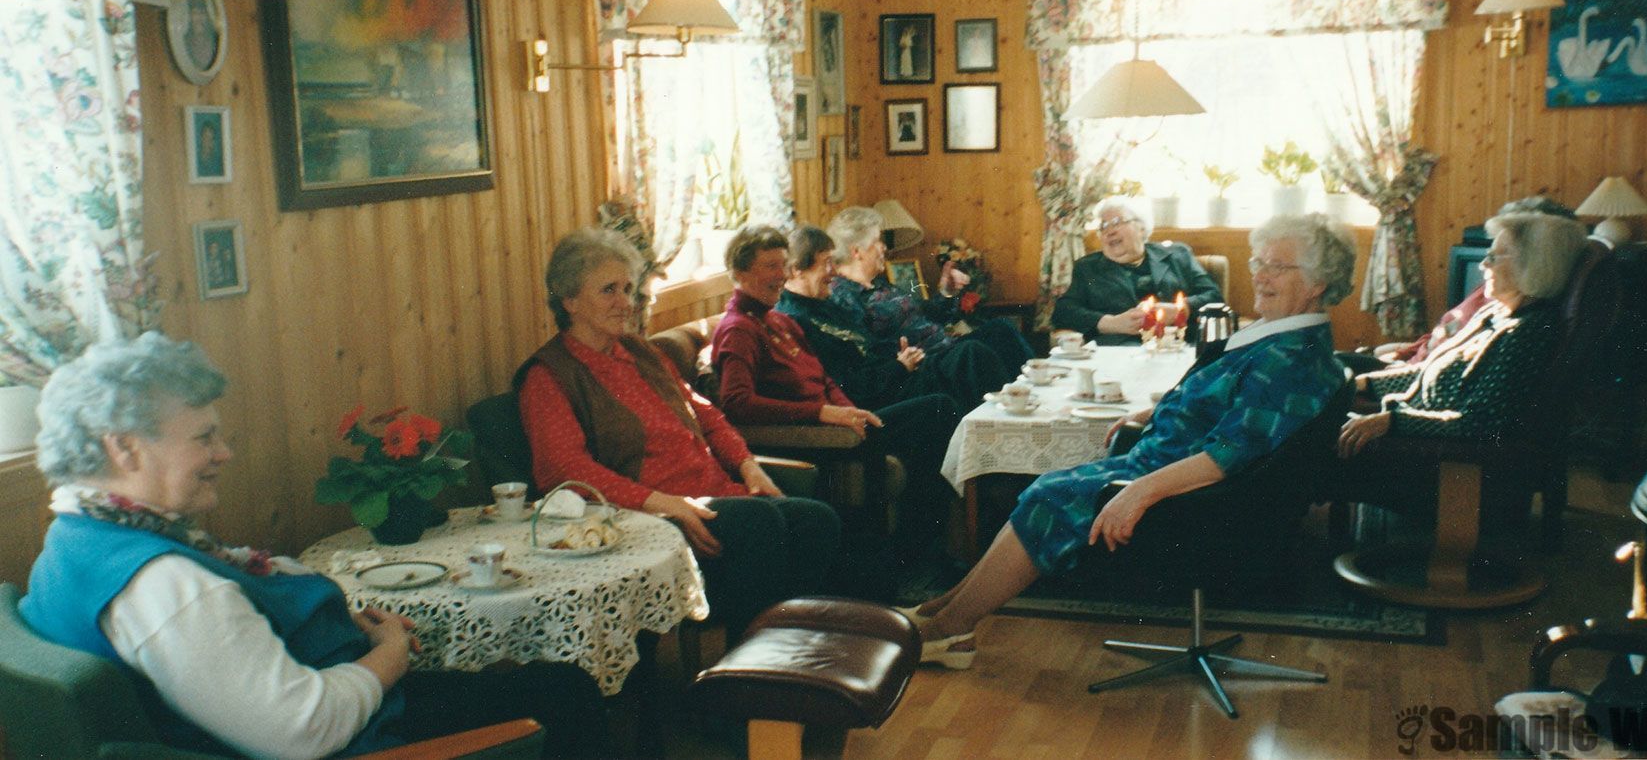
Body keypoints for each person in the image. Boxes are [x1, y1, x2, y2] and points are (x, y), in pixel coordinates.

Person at [20, 333, 609, 759]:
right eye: (204, 437)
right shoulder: (164, 588)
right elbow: (302, 732)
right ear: (125, 450)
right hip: (361, 741)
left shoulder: (79, 537)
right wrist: (388, 656)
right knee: (561, 692)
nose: (223, 453)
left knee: (519, 679)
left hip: (337, 705)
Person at [900, 214, 1357, 669]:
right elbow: (1230, 408)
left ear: (1318, 283)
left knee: (1048, 497)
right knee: (1044, 489)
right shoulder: (1286, 339)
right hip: (1172, 472)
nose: (1260, 274)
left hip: (1204, 506)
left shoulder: (1291, 360)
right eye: (1259, 261)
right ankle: (941, 612)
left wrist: (1140, 492)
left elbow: (1228, 456)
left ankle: (951, 629)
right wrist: (1157, 413)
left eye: (1278, 267)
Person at [516, 228, 841, 635]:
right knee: (760, 524)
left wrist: (747, 465)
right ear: (569, 300)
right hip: (646, 518)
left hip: (712, 496)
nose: (624, 303)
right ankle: (749, 666)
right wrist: (664, 504)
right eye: (608, 290)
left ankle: (797, 648)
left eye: (629, 289)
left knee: (817, 520)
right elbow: (562, 471)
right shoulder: (549, 377)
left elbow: (707, 415)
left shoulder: (640, 352)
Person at [713, 225, 959, 563]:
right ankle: (918, 550)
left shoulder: (781, 322)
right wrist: (823, 415)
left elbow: (825, 380)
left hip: (840, 422)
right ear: (740, 273)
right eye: (771, 266)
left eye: (783, 265)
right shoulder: (738, 328)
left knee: (937, 402)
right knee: (937, 410)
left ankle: (930, 544)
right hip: (818, 438)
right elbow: (737, 404)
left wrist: (847, 410)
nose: (781, 275)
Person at [1337, 212, 1590, 458]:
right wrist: (1365, 384)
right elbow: (1430, 373)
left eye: (1494, 256)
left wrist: (1390, 422)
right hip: (1411, 420)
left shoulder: (1526, 334)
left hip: (1440, 453)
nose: (1483, 264)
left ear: (1533, 265)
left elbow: (1479, 423)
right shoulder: (1496, 312)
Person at [778, 226, 1005, 415]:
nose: (832, 271)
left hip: (896, 371)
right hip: (880, 393)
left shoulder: (828, 304)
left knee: (983, 345)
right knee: (970, 357)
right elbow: (848, 385)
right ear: (798, 270)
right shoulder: (795, 320)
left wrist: (899, 360)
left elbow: (869, 346)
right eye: (826, 263)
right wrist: (898, 366)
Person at [826, 206, 1032, 384]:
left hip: (944, 350)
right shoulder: (844, 294)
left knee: (1000, 329)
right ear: (857, 252)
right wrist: (897, 360)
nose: (884, 247)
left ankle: (1039, 391)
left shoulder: (880, 284)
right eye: (877, 241)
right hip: (922, 365)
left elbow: (928, 315)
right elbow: (865, 351)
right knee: (971, 352)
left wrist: (946, 291)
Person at [1053, 196, 1224, 345]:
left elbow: (1214, 296)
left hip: (1179, 345)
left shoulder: (1178, 255)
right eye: (1103, 226)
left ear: (1141, 228)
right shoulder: (1088, 267)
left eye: (1116, 222)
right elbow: (1064, 311)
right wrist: (1110, 323)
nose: (1109, 231)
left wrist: (1181, 309)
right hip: (1120, 350)